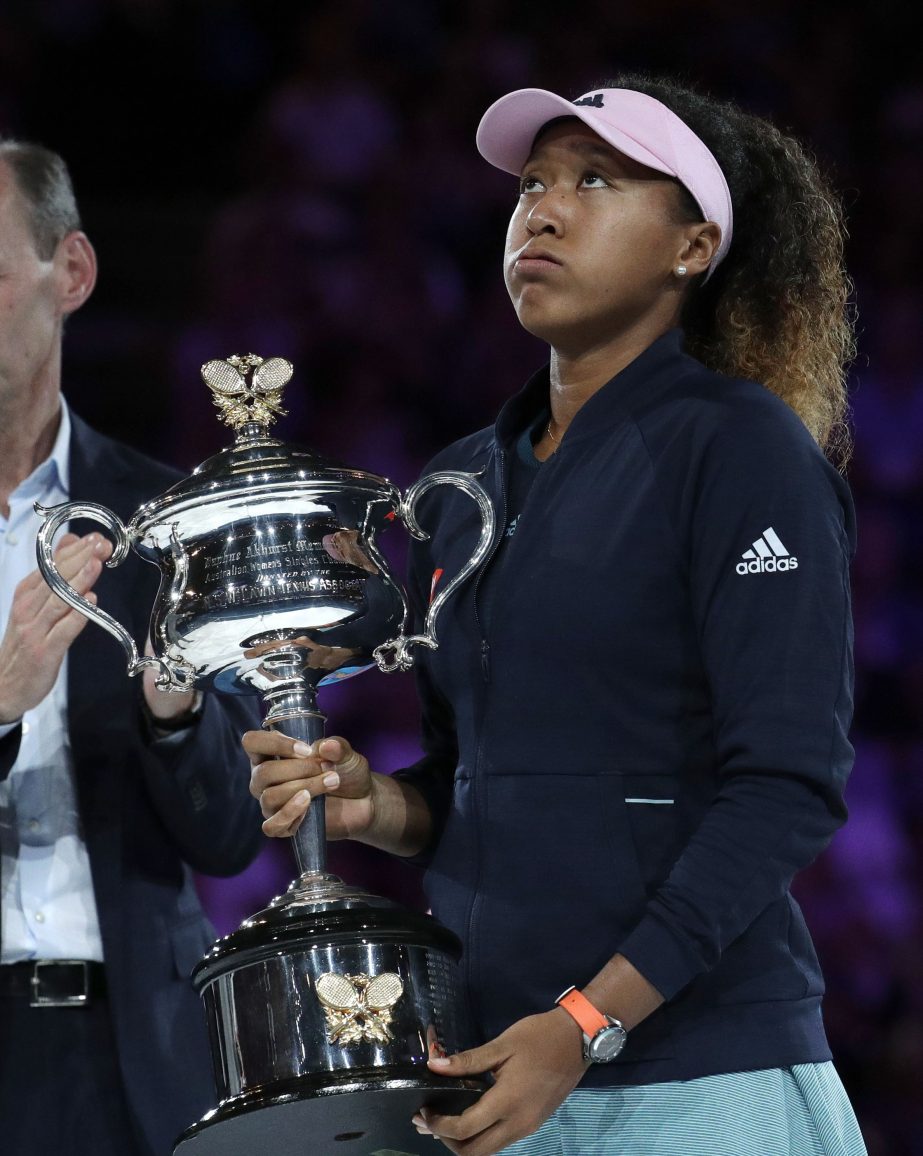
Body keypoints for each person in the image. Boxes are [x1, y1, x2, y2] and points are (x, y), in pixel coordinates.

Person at [247, 74, 867, 1155]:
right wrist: (373, 806)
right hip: (497, 1068)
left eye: (596, 179)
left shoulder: (740, 449)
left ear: (690, 246)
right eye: (531, 182)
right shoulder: (459, 485)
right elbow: (474, 780)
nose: (542, 206)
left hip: (693, 1067)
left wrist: (587, 1021)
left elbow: (785, 785)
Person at [0, 140, 263, 1156]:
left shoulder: (166, 525)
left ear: (70, 273)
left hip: (137, 1064)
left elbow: (230, 833)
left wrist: (178, 713)